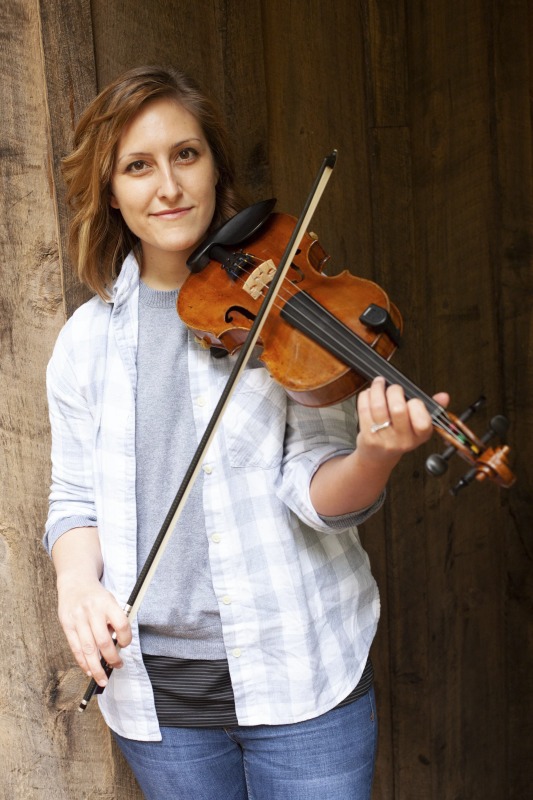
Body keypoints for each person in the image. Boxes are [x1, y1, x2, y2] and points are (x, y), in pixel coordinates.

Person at [44, 65, 448, 800]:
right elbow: (74, 498)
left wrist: (372, 457)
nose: (166, 186)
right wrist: (76, 583)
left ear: (215, 167)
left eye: (185, 155)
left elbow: (314, 487)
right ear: (111, 191)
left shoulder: (285, 311)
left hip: (297, 672)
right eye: (138, 166)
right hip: (159, 700)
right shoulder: (84, 343)